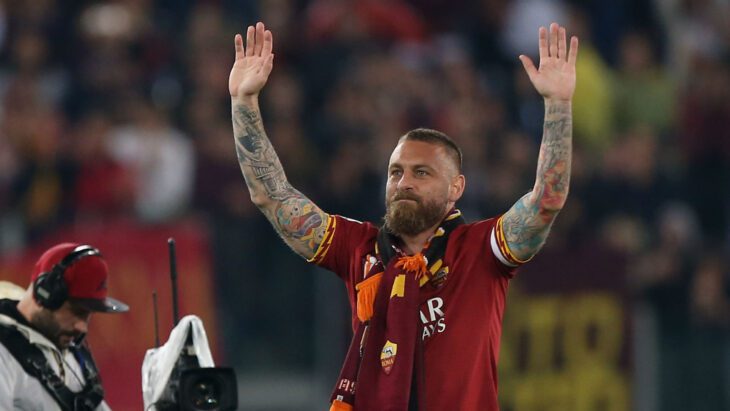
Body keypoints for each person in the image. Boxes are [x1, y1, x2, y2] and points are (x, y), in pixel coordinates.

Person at [229, 21, 578, 411]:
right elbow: (273, 197)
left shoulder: (480, 250)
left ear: (456, 188)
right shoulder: (360, 248)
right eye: (396, 172)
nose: (404, 182)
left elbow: (546, 201)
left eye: (421, 173)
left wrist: (558, 105)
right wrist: (244, 101)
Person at [0, 243, 130, 410]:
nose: (82, 327)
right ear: (45, 294)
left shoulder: (72, 352)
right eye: (77, 312)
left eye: (88, 315)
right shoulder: (4, 353)